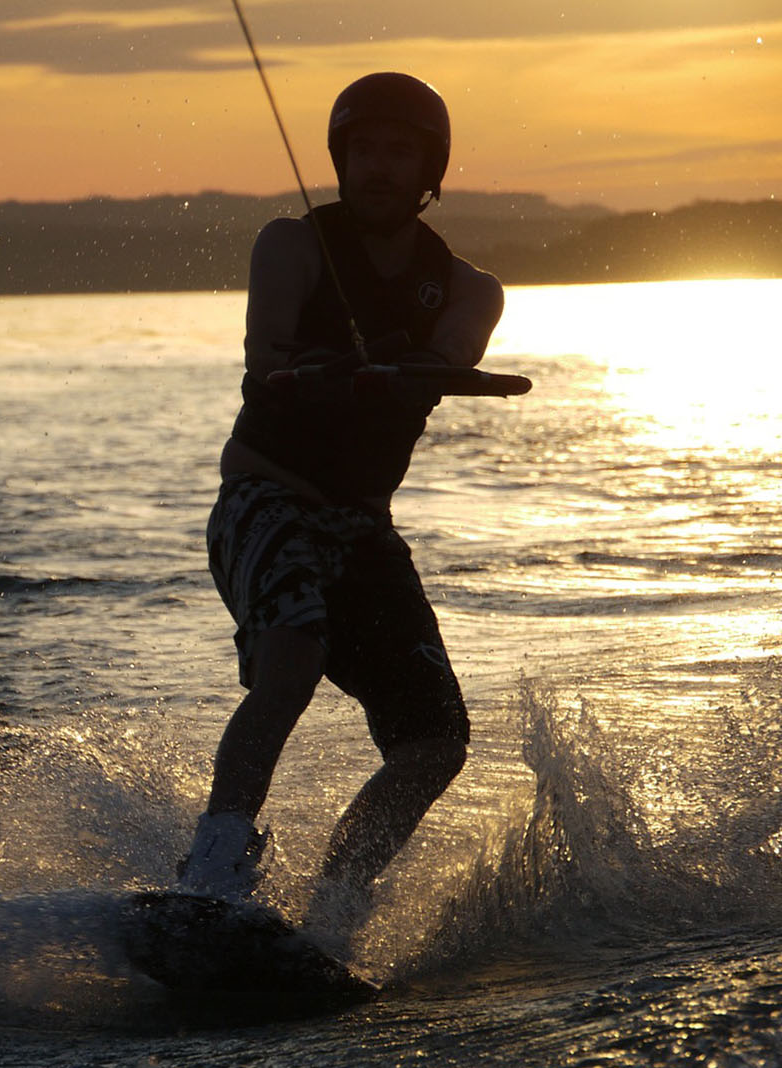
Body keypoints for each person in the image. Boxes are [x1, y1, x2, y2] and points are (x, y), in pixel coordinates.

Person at [176, 72, 505, 941]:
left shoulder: (472, 288)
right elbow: (264, 357)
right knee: (293, 651)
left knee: (435, 740)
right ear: (340, 159)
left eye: (400, 153)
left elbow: (452, 355)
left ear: (431, 170)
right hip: (265, 498)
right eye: (364, 151)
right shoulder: (289, 245)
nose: (379, 168)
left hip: (360, 526)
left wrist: (406, 366)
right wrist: (312, 371)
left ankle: (334, 910)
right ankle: (212, 869)